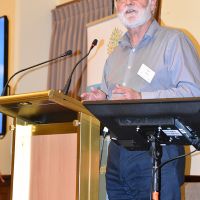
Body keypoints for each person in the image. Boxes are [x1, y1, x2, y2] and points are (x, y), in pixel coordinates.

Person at [81, 0, 200, 199]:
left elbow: (193, 92)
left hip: (158, 152)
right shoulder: (114, 56)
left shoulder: (174, 41)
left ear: (153, 3)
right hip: (117, 155)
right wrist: (102, 98)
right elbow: (113, 99)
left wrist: (141, 97)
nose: (128, 2)